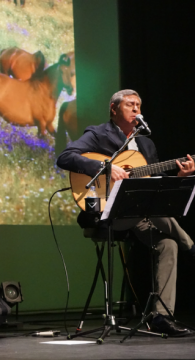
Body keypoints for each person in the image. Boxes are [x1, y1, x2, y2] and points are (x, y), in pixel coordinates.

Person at [57, 89, 195, 337]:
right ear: (114, 109)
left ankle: (161, 317)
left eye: (139, 105)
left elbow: (154, 183)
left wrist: (180, 176)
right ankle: (191, 245)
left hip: (140, 213)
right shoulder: (99, 134)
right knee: (157, 214)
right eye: (130, 104)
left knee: (168, 245)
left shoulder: (146, 144)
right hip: (108, 211)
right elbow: (65, 157)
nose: (136, 109)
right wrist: (106, 167)